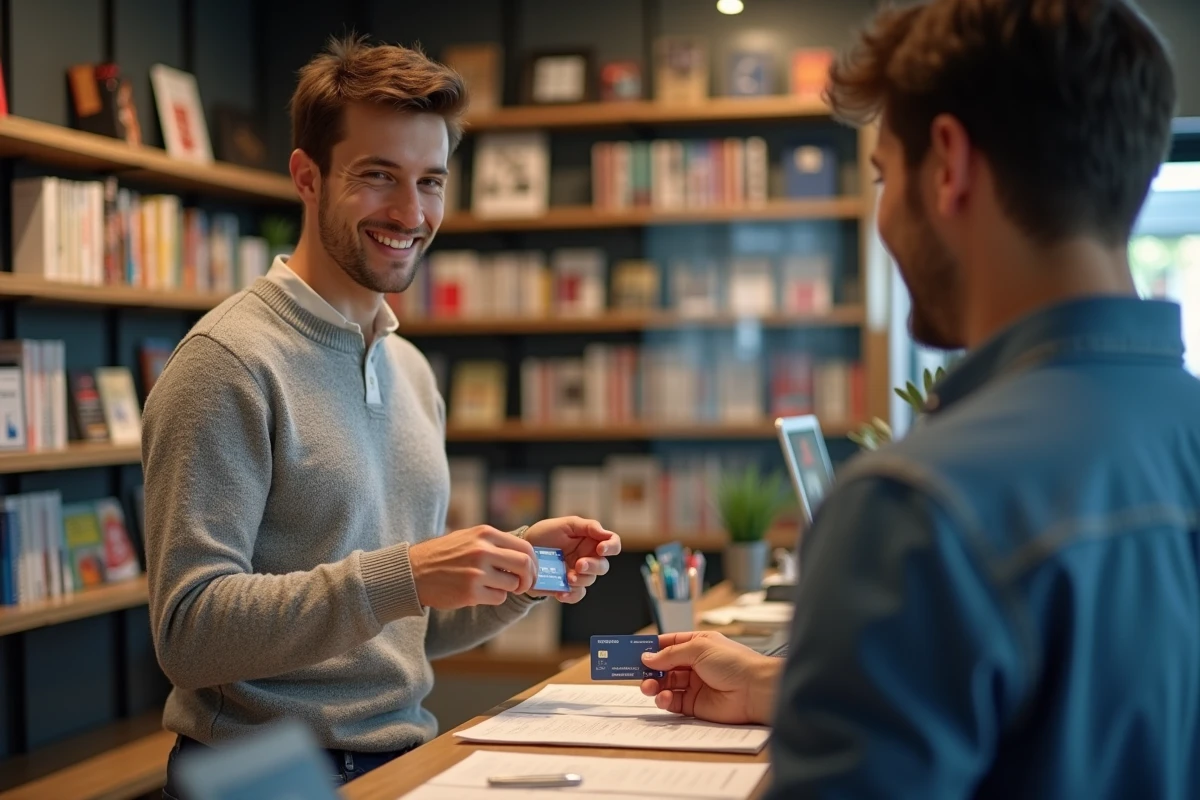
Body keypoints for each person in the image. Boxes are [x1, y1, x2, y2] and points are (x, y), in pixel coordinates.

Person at [641, 1, 1199, 798]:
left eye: (881, 176)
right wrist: (783, 687)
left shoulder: (916, 508)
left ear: (947, 165)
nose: (884, 216)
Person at [142, 35, 621, 797]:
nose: (410, 211)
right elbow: (188, 633)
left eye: (431, 181)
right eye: (377, 177)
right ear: (308, 177)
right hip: (261, 776)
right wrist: (406, 574)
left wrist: (519, 571)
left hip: (402, 760)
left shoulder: (411, 368)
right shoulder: (227, 362)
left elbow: (405, 618)